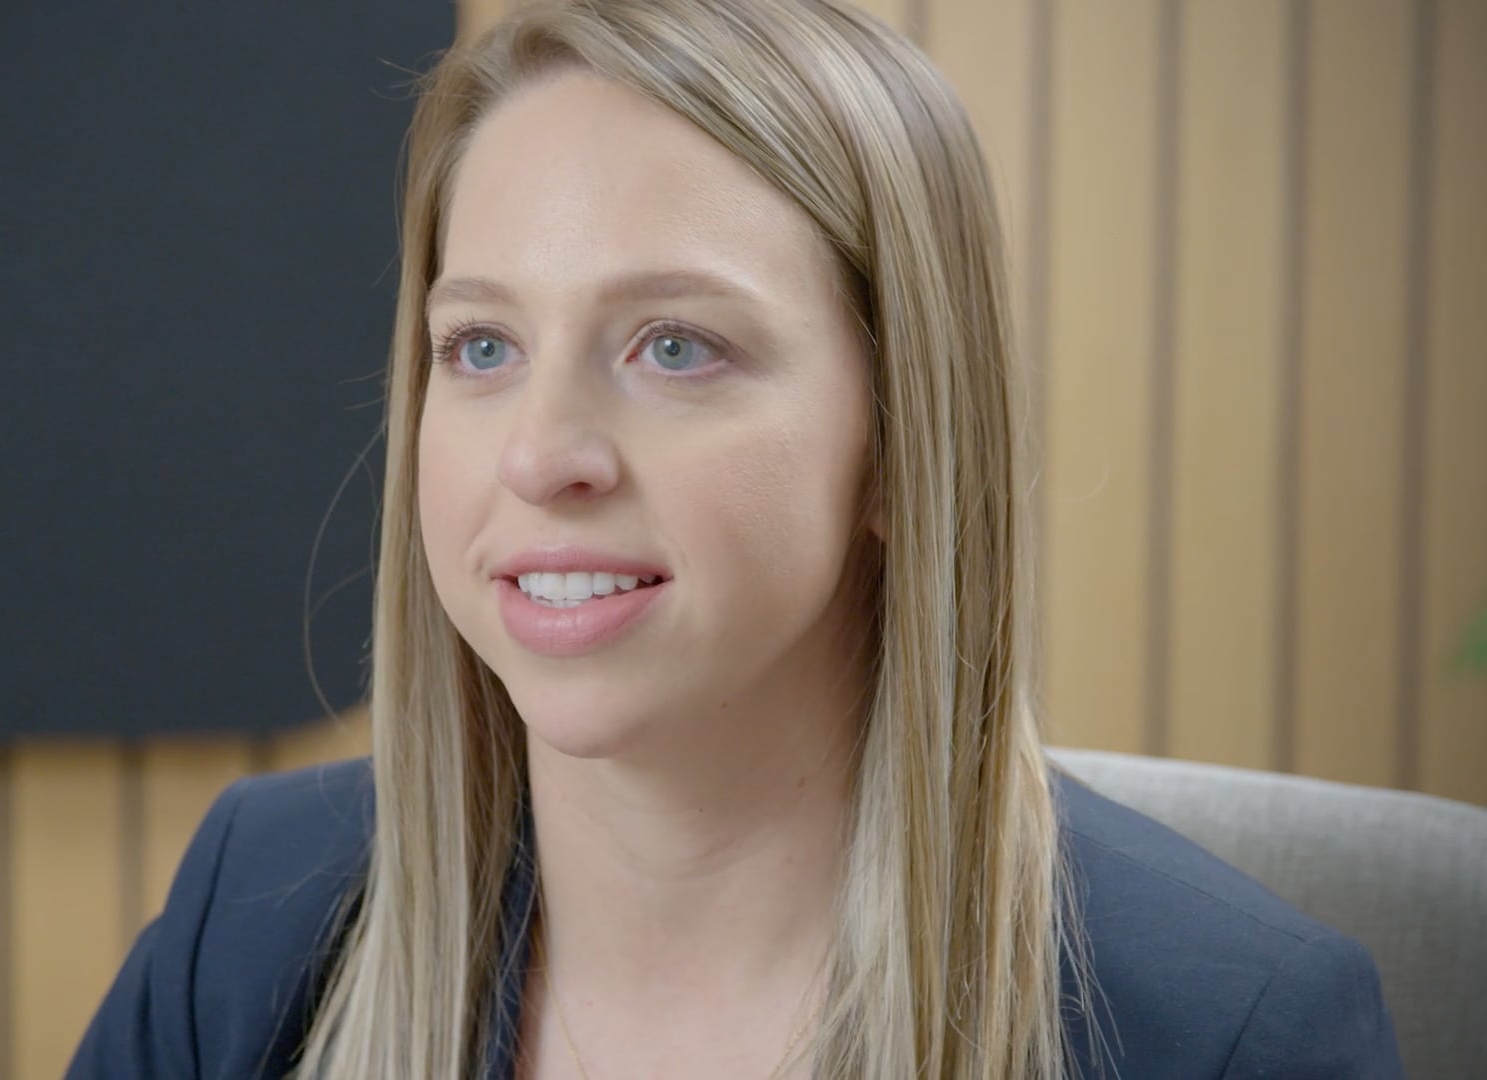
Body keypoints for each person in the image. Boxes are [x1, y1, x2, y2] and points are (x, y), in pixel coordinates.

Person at [70, 1, 1402, 1076]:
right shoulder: (252, 922)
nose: (539, 455)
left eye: (676, 347)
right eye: (481, 347)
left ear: (901, 441)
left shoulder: (1235, 1035)